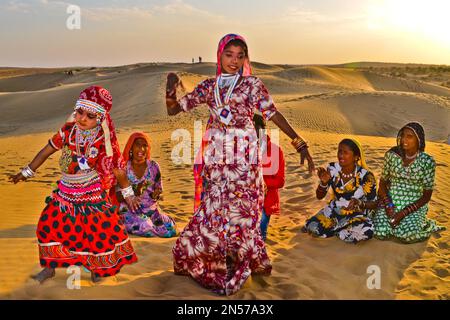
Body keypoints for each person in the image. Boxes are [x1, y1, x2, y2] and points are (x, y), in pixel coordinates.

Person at [165, 33, 315, 295]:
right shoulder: (208, 86)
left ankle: (238, 261)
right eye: (229, 54)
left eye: (240, 55)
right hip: (217, 158)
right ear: (219, 55)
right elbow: (174, 110)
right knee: (214, 211)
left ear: (246, 58)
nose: (234, 61)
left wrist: (298, 141)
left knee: (243, 213)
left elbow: (272, 112)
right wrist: (171, 86)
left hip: (244, 159)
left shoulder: (253, 85)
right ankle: (213, 260)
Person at [9, 85, 139, 283]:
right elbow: (46, 150)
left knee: (97, 233)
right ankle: (49, 267)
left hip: (92, 194)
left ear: (101, 118)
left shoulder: (103, 140)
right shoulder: (67, 132)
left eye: (90, 115)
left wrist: (128, 193)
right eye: (79, 112)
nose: (83, 118)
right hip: (65, 193)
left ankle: (98, 268)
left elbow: (117, 168)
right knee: (47, 226)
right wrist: (27, 172)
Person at [373, 122, 444, 243]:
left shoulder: (427, 161)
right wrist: (388, 204)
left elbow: (427, 196)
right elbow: (383, 183)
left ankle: (424, 224)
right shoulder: (391, 155)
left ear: (419, 140)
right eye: (403, 135)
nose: (404, 139)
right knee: (379, 232)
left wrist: (402, 214)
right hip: (390, 202)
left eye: (409, 136)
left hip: (414, 205)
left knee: (407, 235)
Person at [303, 139, 377, 243]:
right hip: (335, 211)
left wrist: (359, 203)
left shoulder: (366, 176)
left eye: (345, 152)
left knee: (366, 232)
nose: (341, 155)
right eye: (339, 151)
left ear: (356, 157)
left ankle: (336, 230)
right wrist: (324, 182)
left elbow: (374, 203)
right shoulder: (332, 169)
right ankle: (338, 229)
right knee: (312, 227)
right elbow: (319, 196)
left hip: (357, 213)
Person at [117, 132, 177, 238]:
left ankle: (161, 230)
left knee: (169, 225)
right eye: (138, 145)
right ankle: (158, 234)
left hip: (150, 209)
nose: (142, 149)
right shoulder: (124, 168)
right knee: (145, 226)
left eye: (145, 145)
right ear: (130, 148)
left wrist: (156, 194)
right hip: (131, 210)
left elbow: (157, 191)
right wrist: (134, 191)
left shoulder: (154, 166)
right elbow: (117, 195)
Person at [252, 114, 285, 242]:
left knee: (259, 235)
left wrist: (263, 183)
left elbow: (280, 180)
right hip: (240, 202)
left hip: (265, 202)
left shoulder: (276, 151)